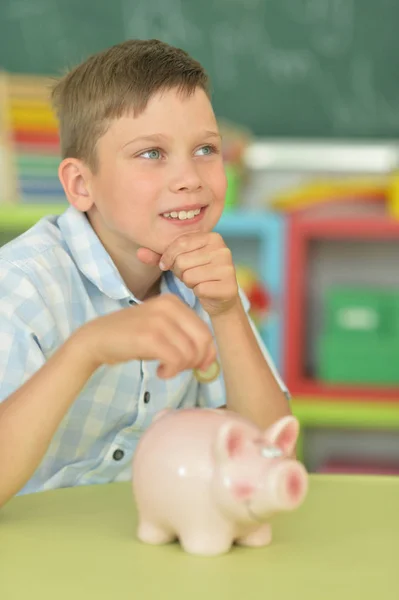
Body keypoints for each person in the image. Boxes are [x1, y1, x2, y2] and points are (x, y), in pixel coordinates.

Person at [0, 39, 291, 507]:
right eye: (151, 154)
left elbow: (270, 450)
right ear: (81, 184)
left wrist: (228, 311)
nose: (190, 178)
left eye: (205, 149)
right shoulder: (21, 284)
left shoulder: (207, 279)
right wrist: (87, 349)